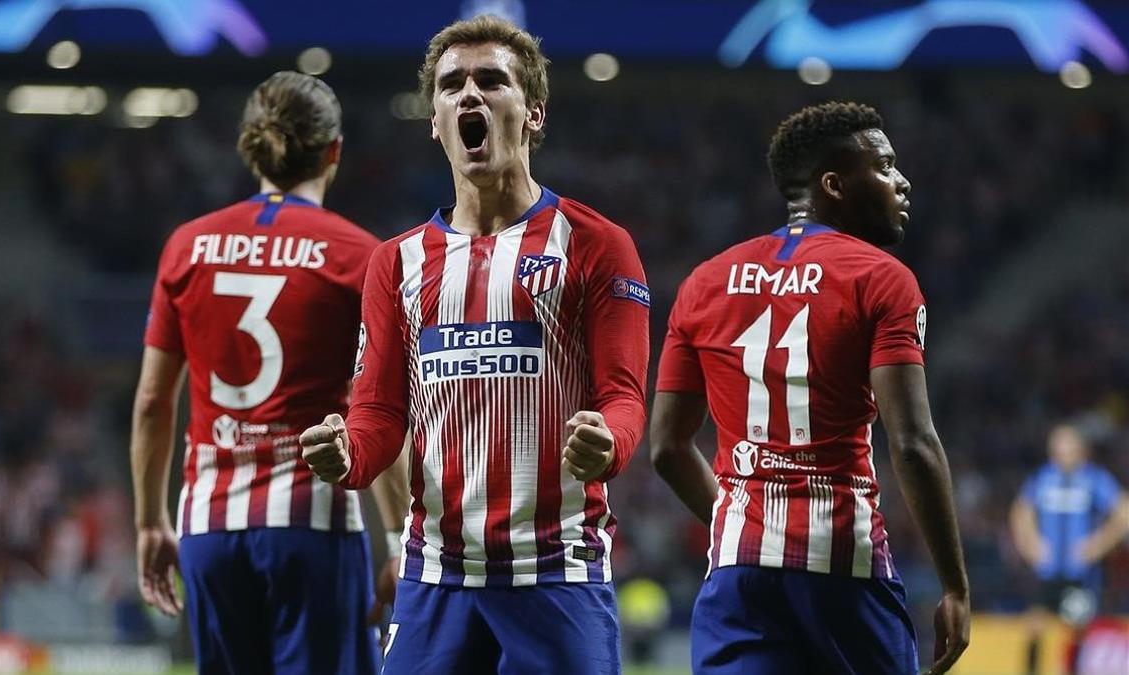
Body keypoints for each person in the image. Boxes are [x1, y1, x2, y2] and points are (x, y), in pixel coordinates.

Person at [299, 15, 650, 674]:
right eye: (452, 84)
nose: (470, 95)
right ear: (434, 119)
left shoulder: (598, 244)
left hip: (557, 573)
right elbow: (380, 414)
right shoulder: (394, 262)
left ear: (534, 112)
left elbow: (625, 398)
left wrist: (611, 441)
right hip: (436, 578)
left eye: (492, 81)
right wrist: (349, 452)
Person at [649, 101, 970, 675]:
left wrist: (739, 525)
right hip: (842, 564)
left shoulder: (704, 281)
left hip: (737, 571)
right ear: (835, 184)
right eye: (885, 165)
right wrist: (955, 586)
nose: (902, 181)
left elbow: (667, 448)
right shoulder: (882, 279)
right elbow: (914, 443)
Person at [130, 71, 408, 675]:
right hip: (312, 523)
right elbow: (376, 405)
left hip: (208, 524)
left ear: (249, 146)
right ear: (334, 151)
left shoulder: (187, 245)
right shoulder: (360, 255)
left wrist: (151, 520)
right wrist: (401, 540)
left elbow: (154, 400)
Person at [1010, 422, 1129, 675]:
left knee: (1078, 630)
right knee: (1034, 627)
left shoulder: (1094, 479)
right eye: (1056, 444)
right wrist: (1030, 544)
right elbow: (1021, 512)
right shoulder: (1043, 478)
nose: (1059, 450)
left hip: (1080, 575)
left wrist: (1098, 544)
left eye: (1065, 443)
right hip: (1049, 572)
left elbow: (1123, 512)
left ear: (1080, 448)